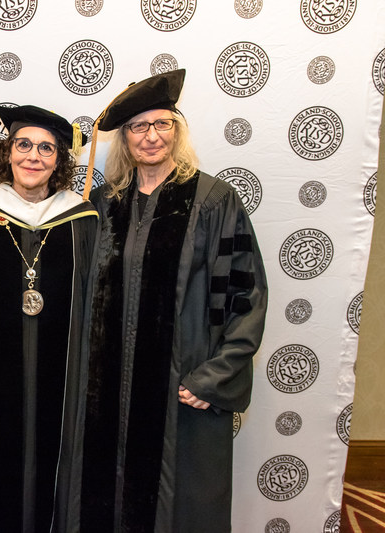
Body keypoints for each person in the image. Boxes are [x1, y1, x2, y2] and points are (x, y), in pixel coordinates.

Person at [79, 69, 268, 532]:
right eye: (138, 127)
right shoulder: (104, 203)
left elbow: (245, 293)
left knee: (181, 507)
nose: (151, 136)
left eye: (162, 124)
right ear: (124, 140)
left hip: (181, 387)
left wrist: (214, 377)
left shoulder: (213, 200)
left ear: (177, 131)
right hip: (107, 394)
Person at [0, 105, 98, 532]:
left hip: (64, 396)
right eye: (23, 145)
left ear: (60, 159)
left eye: (46, 148)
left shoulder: (85, 223)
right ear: (6, 154)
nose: (34, 156)